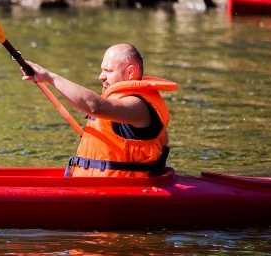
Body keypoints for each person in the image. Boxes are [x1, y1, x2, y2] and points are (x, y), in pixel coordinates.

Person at [22, 43, 178, 177]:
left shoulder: (138, 106)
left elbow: (95, 106)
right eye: (102, 70)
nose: (101, 76)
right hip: (90, 184)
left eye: (108, 71)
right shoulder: (124, 103)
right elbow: (162, 140)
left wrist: (50, 77)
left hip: (121, 190)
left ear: (130, 72)